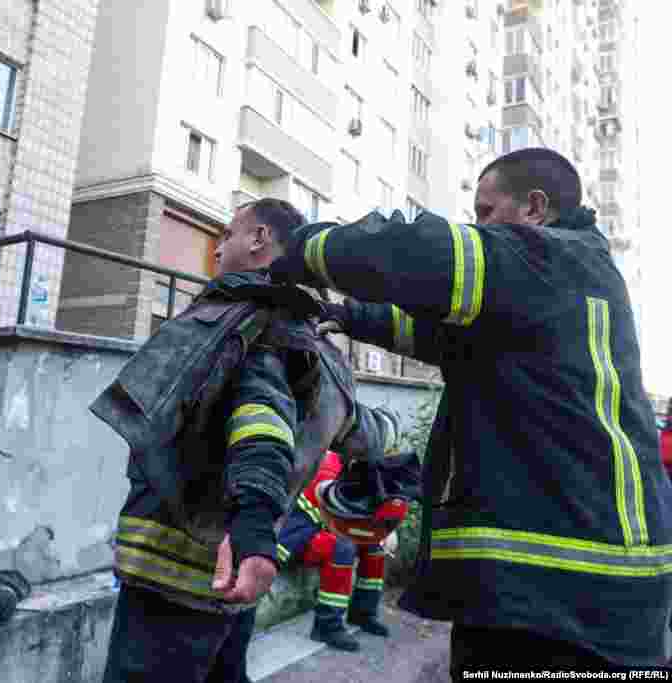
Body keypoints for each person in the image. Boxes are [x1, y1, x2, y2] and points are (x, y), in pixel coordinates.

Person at [268, 148, 672, 673]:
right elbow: (445, 335)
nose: (477, 225)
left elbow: (411, 250)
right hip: (593, 591)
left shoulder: (538, 257)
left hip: (548, 594)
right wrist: (349, 316)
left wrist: (297, 248)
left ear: (534, 208)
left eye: (485, 211)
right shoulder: (576, 274)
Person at [93, 198, 400, 683]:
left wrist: (253, 523)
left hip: (177, 577)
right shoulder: (320, 350)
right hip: (236, 573)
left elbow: (262, 422)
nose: (218, 248)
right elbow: (363, 434)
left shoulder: (248, 324)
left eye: (229, 234)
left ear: (258, 239)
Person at [275, 449, 393, 652]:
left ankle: (363, 612)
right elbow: (340, 519)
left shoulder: (355, 468)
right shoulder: (330, 468)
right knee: (343, 546)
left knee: (374, 547)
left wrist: (381, 532)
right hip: (297, 537)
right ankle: (327, 625)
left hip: (320, 530)